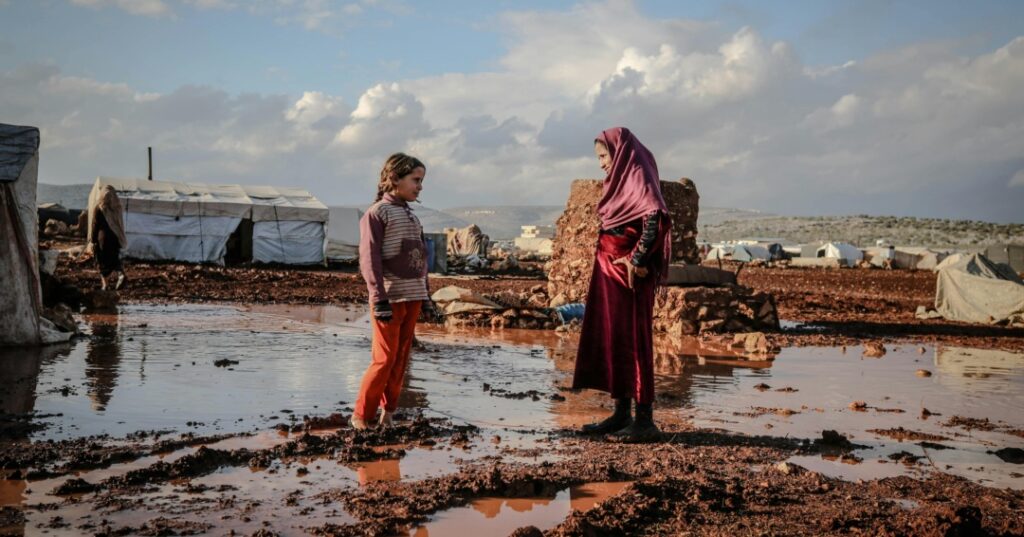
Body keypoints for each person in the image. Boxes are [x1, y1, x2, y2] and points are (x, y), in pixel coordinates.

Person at [573, 127, 671, 442]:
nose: (601, 163)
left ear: (621, 153)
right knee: (615, 338)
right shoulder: (621, 182)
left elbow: (655, 215)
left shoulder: (638, 174)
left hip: (626, 276)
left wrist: (637, 261)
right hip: (609, 274)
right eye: (599, 157)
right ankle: (620, 413)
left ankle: (644, 421)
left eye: (604, 156)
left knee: (633, 341)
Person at [353, 153, 434, 430]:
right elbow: (369, 258)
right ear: (394, 179)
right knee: (384, 358)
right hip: (389, 298)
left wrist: (427, 295)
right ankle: (362, 416)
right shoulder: (377, 213)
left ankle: (388, 413)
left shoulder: (411, 216)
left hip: (413, 296)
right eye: (415, 180)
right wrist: (378, 298)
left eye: (421, 181)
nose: (420, 186)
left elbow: (421, 258)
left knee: (401, 358)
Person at [88, 185, 128, 291]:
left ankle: (105, 285)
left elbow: (95, 225)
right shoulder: (118, 207)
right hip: (115, 237)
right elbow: (119, 224)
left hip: (103, 239)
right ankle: (121, 274)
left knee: (102, 261)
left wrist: (93, 241)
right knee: (114, 259)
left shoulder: (99, 207)